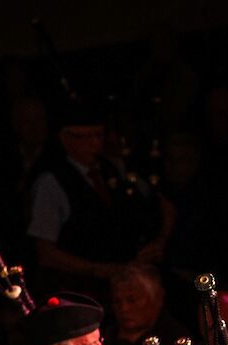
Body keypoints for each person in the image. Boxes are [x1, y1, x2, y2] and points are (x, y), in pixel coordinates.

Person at [27, 99, 172, 296]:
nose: (94, 143)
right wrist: (98, 269)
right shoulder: (52, 182)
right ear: (65, 139)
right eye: (85, 138)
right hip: (79, 290)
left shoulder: (112, 169)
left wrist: (158, 241)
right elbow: (46, 254)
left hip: (123, 285)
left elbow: (162, 204)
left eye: (98, 136)